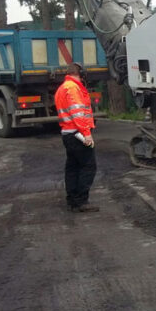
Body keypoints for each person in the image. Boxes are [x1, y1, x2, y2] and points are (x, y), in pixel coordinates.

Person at [55, 62, 99, 213]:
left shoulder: (63, 88)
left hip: (67, 133)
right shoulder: (73, 88)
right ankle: (81, 201)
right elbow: (78, 114)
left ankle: (72, 200)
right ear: (81, 74)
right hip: (77, 134)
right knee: (88, 166)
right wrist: (86, 134)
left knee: (72, 167)